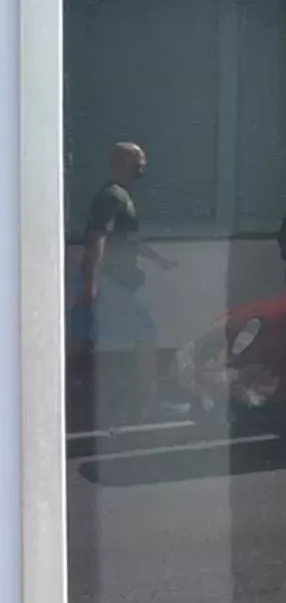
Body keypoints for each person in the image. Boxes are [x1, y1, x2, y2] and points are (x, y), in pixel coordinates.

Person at [76, 141, 174, 419]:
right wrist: (91, 282)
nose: (144, 163)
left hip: (123, 279)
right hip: (116, 280)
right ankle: (148, 404)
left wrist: (160, 261)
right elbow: (98, 239)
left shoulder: (122, 197)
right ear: (123, 162)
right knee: (143, 335)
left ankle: (140, 401)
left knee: (130, 336)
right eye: (139, 158)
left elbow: (128, 241)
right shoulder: (113, 197)